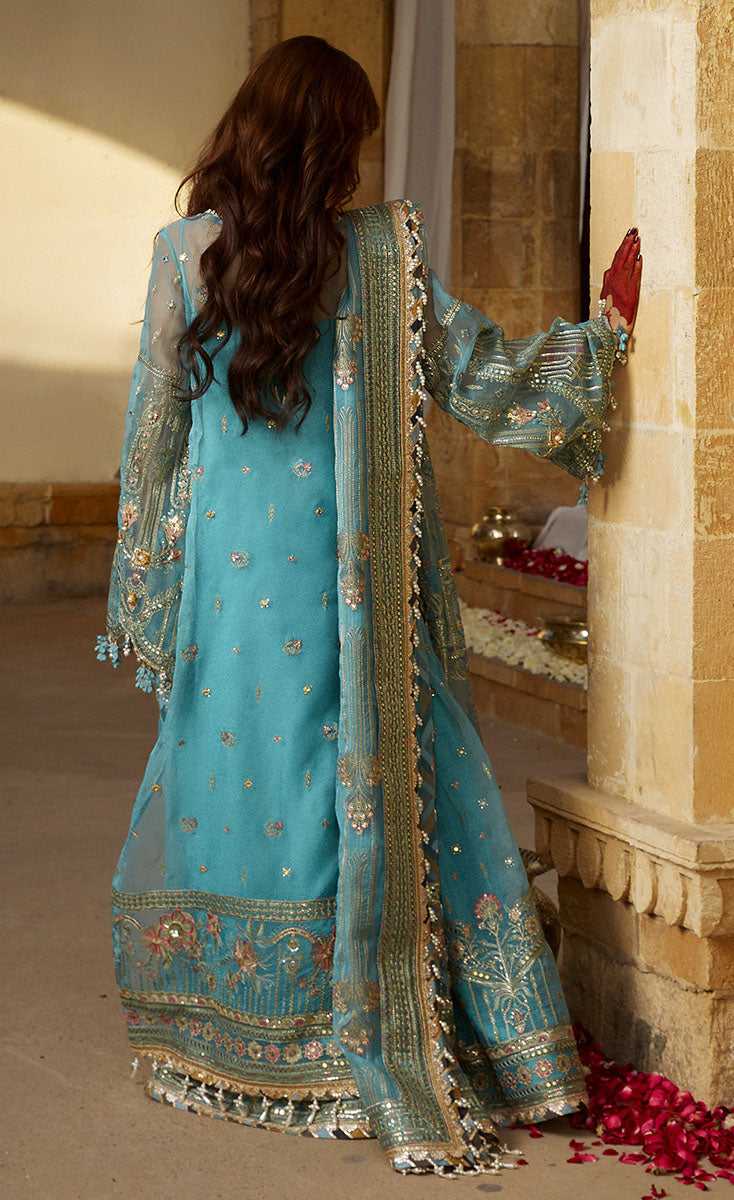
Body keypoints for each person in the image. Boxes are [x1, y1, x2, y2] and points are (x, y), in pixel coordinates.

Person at [97, 35, 642, 1176]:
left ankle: (237, 1030)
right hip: (346, 582)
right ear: (324, 145)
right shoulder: (377, 262)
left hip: (231, 590)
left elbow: (153, 437)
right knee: (363, 772)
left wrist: (148, 593)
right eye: (351, 139)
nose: (360, 162)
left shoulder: (185, 254)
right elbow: (483, 379)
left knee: (238, 778)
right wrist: (598, 344)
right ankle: (388, 1016)